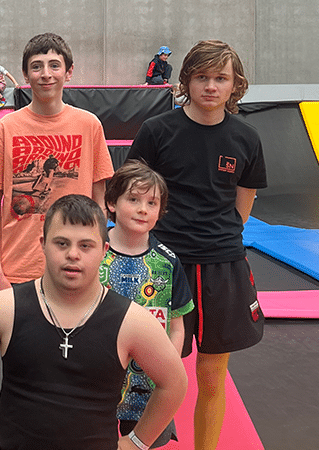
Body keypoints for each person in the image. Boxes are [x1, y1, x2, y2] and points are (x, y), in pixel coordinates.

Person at [0, 194, 187, 450]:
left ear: (104, 250)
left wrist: (138, 441)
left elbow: (174, 383)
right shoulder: (6, 307)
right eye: (61, 243)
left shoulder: (131, 320)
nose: (73, 254)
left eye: (85, 246)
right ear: (43, 244)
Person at [126, 39, 266, 450]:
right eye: (202, 77)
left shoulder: (246, 137)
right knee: (146, 369)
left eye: (220, 78)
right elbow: (133, 192)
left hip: (222, 266)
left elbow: (242, 207)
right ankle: (141, 443)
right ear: (186, 80)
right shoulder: (157, 130)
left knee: (211, 373)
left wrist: (213, 237)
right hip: (162, 264)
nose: (210, 86)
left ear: (234, 85)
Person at [0, 33, 115, 294]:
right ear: (25, 75)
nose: (46, 74)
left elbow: (100, 200)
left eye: (54, 65)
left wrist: (97, 259)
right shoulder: (7, 127)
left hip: (76, 267)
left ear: (69, 72)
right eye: (37, 66)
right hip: (18, 268)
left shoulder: (89, 125)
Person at [100, 159, 194, 448]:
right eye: (133, 199)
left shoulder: (168, 261)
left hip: (147, 386)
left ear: (160, 211)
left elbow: (177, 326)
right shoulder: (94, 253)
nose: (143, 209)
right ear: (112, 203)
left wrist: (167, 367)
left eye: (152, 203)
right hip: (96, 380)